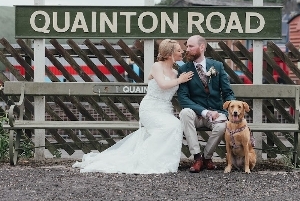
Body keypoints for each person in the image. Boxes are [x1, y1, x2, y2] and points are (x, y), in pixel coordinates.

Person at [72, 39, 193, 174]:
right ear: (170, 53)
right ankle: (146, 160)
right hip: (150, 109)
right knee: (171, 126)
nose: (181, 52)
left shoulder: (176, 73)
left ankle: (162, 161)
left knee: (175, 125)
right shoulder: (157, 66)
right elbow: (163, 85)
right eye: (178, 50)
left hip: (165, 109)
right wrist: (179, 80)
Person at [177, 35, 235, 173]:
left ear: (202, 47)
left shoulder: (218, 66)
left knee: (223, 124)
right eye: (187, 46)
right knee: (184, 113)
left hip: (215, 112)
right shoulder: (184, 69)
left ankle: (207, 157)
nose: (187, 49)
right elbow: (183, 98)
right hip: (196, 114)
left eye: (191, 46)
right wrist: (204, 112)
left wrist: (227, 113)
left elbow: (228, 93)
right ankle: (197, 158)